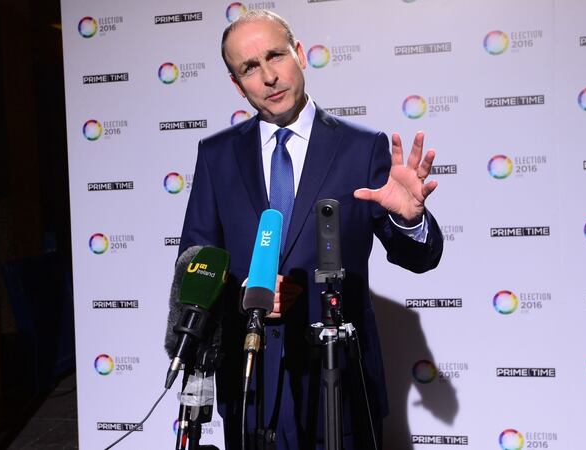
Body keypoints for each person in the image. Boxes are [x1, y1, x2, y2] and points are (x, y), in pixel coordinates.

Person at [178, 10, 443, 450]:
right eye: (249, 68)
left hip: (339, 389)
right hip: (250, 388)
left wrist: (409, 219)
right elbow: (194, 264)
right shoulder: (216, 155)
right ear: (236, 84)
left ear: (299, 54)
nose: (268, 76)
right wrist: (244, 292)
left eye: (275, 56)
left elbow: (420, 258)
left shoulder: (362, 147)